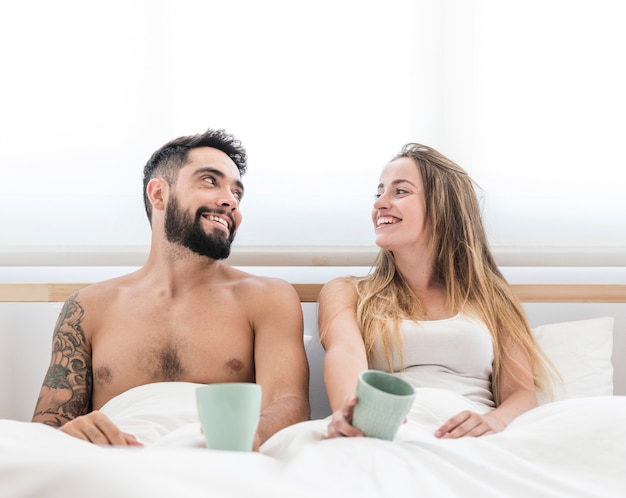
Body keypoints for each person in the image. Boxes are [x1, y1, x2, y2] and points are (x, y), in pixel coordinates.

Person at [32, 128, 310, 448]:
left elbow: (289, 404)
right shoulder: (88, 307)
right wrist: (73, 435)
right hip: (115, 465)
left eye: (237, 193)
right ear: (159, 194)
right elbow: (45, 431)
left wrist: (236, 442)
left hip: (220, 455)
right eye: (209, 180)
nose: (229, 201)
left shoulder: (267, 297)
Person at [319, 143, 552, 440]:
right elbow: (345, 353)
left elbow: (521, 393)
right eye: (378, 193)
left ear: (442, 205)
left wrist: (494, 421)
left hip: (473, 438)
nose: (379, 203)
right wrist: (350, 416)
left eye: (399, 191)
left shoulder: (492, 298)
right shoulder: (346, 292)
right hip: (390, 430)